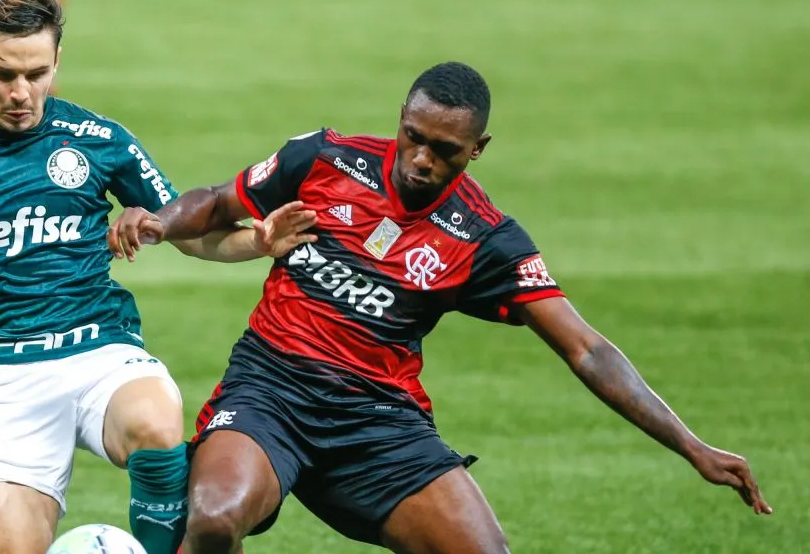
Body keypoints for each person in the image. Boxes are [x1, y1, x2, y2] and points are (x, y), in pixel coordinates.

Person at [107, 61, 773, 554]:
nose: (420, 160)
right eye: (413, 137)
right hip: (270, 392)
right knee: (216, 519)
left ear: (478, 150)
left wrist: (690, 446)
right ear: (401, 118)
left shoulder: (485, 237)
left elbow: (586, 348)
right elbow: (218, 202)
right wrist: (162, 222)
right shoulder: (328, 158)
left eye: (445, 150)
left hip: (378, 424)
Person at [0, 0, 314, 554]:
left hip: (100, 350)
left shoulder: (98, 139)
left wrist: (258, 242)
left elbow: (189, 235)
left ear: (57, 63)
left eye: (37, 73)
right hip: (1, 377)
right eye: (3, 75)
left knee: (155, 417)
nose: (21, 93)